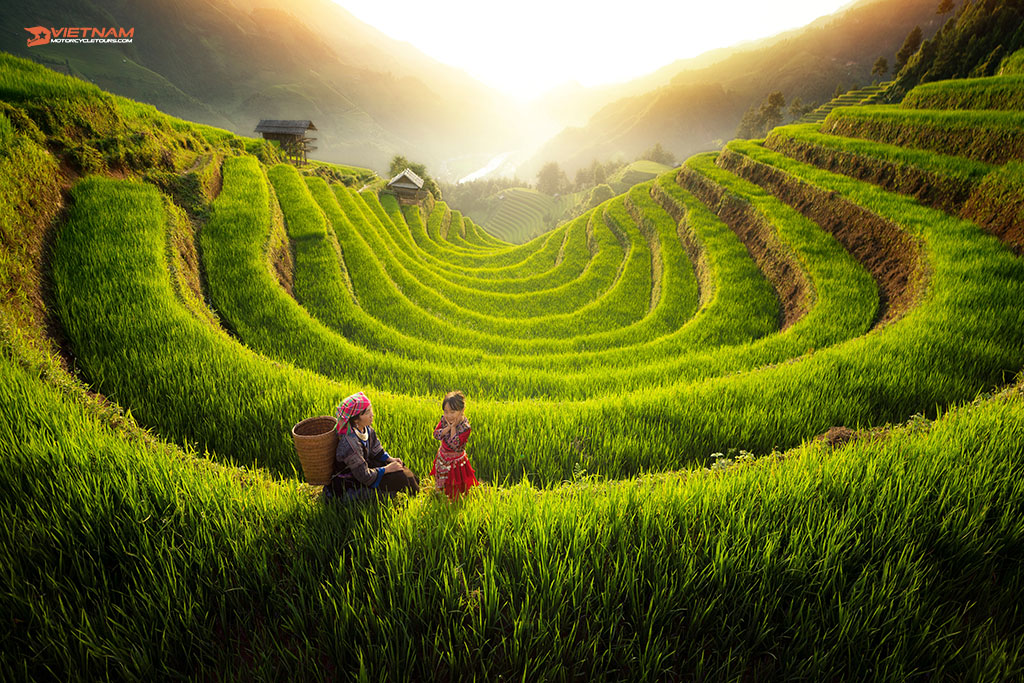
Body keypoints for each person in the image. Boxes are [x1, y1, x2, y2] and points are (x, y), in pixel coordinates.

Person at [325, 391, 419, 500]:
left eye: (371, 409)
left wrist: (390, 459)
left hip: (366, 466)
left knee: (401, 467)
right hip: (351, 482)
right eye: (367, 412)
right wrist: (387, 469)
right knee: (397, 481)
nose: (372, 414)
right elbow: (363, 476)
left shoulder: (367, 430)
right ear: (355, 419)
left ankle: (414, 493)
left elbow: (377, 450)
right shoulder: (350, 444)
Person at [430, 390, 479, 499]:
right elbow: (436, 434)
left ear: (462, 410)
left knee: (455, 484)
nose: (449, 415)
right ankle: (439, 497)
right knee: (440, 480)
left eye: (452, 412)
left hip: (456, 461)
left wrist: (453, 428)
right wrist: (447, 427)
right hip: (442, 457)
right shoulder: (444, 420)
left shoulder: (465, 427)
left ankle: (454, 502)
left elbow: (455, 444)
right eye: (446, 412)